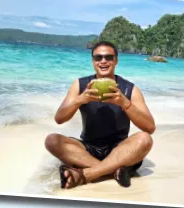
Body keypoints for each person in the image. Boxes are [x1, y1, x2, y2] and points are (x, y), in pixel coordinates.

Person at [45, 41, 156, 189]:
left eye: (108, 57)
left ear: (115, 60)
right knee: (52, 140)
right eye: (98, 57)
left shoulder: (130, 89)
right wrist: (80, 99)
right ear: (93, 61)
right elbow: (59, 118)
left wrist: (125, 103)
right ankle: (113, 171)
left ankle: (86, 175)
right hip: (88, 149)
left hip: (120, 150)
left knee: (144, 139)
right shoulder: (80, 85)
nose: (103, 61)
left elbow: (150, 127)